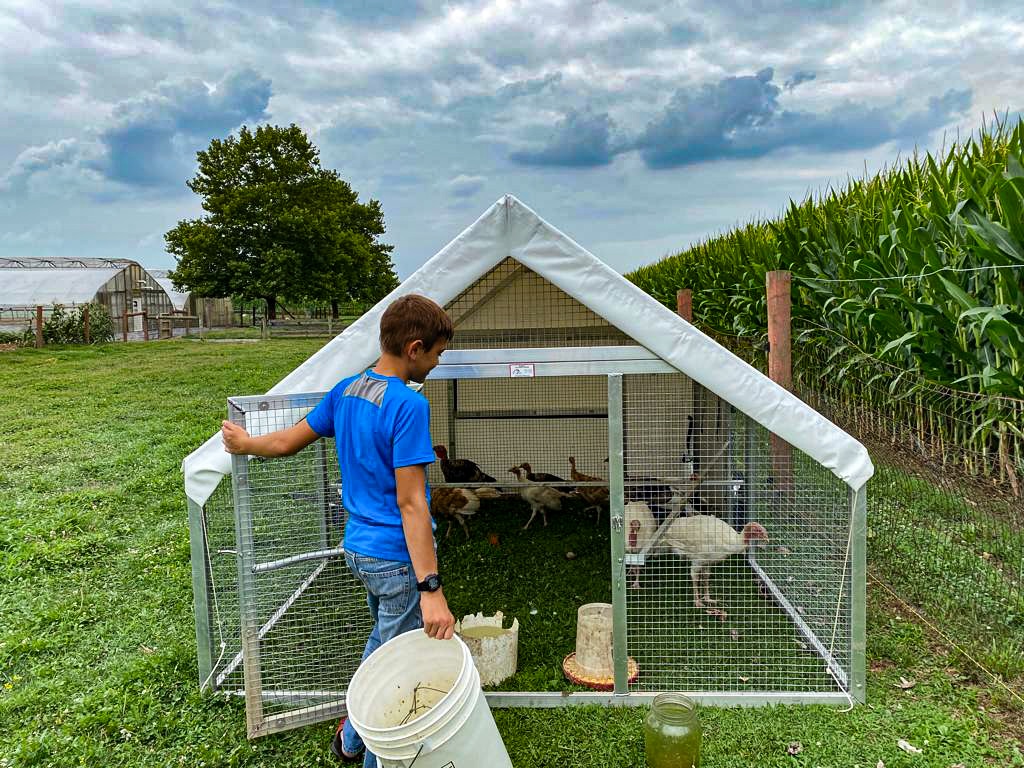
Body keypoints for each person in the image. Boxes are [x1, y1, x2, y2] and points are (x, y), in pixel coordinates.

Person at [220, 294, 456, 767]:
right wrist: (430, 587)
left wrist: (246, 442)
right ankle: (367, 747)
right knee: (391, 665)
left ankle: (351, 738)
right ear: (414, 348)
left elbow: (287, 441)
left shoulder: (347, 391)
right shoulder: (408, 406)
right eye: (436, 354)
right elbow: (411, 503)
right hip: (394, 556)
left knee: (384, 642)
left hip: (358, 551)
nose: (436, 363)